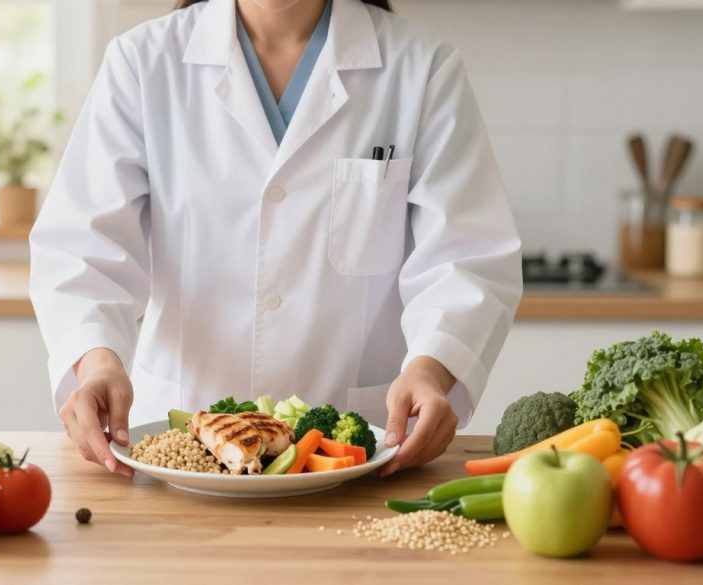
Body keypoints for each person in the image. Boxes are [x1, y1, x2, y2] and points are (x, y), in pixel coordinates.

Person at [30, 0, 522, 478]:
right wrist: (97, 363)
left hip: (361, 451)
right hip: (180, 453)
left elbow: (465, 255)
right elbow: (82, 248)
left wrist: (433, 371)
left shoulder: (421, 67)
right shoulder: (142, 62)